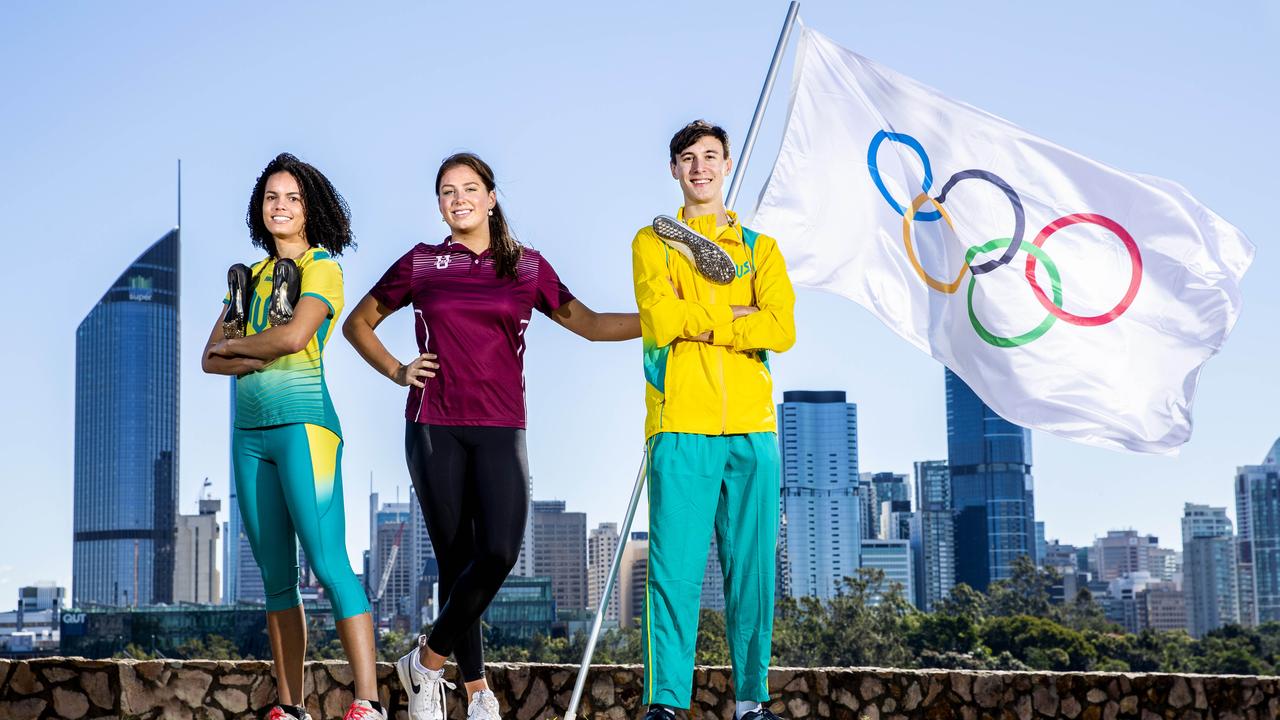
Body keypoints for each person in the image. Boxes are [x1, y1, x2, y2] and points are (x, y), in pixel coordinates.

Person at [343, 152, 640, 720]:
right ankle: (475, 692)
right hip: (434, 424)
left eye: (470, 188)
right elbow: (358, 323)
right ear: (439, 204)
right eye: (448, 191)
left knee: (499, 550)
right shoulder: (422, 264)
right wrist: (398, 369)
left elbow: (594, 325)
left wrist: (667, 322)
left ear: (491, 197)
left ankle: (425, 663)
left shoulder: (527, 267)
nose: (459, 199)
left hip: (503, 426)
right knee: (457, 561)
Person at [202, 153, 385, 720]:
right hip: (249, 436)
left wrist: (241, 347)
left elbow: (296, 335)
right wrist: (245, 347)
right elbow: (209, 361)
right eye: (271, 198)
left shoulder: (322, 267)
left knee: (330, 567)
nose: (280, 207)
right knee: (275, 582)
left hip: (306, 429)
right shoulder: (248, 279)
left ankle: (369, 703)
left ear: (310, 210)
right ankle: (290, 706)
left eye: (292, 198)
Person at [631, 120, 796, 720]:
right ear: (673, 170)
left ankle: (752, 701)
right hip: (680, 424)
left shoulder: (762, 249)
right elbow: (658, 317)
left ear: (727, 165)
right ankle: (665, 703)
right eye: (686, 158)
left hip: (754, 429)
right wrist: (737, 311)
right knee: (672, 574)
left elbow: (782, 328)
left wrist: (701, 316)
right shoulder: (652, 242)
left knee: (752, 575)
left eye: (710, 157)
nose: (699, 167)